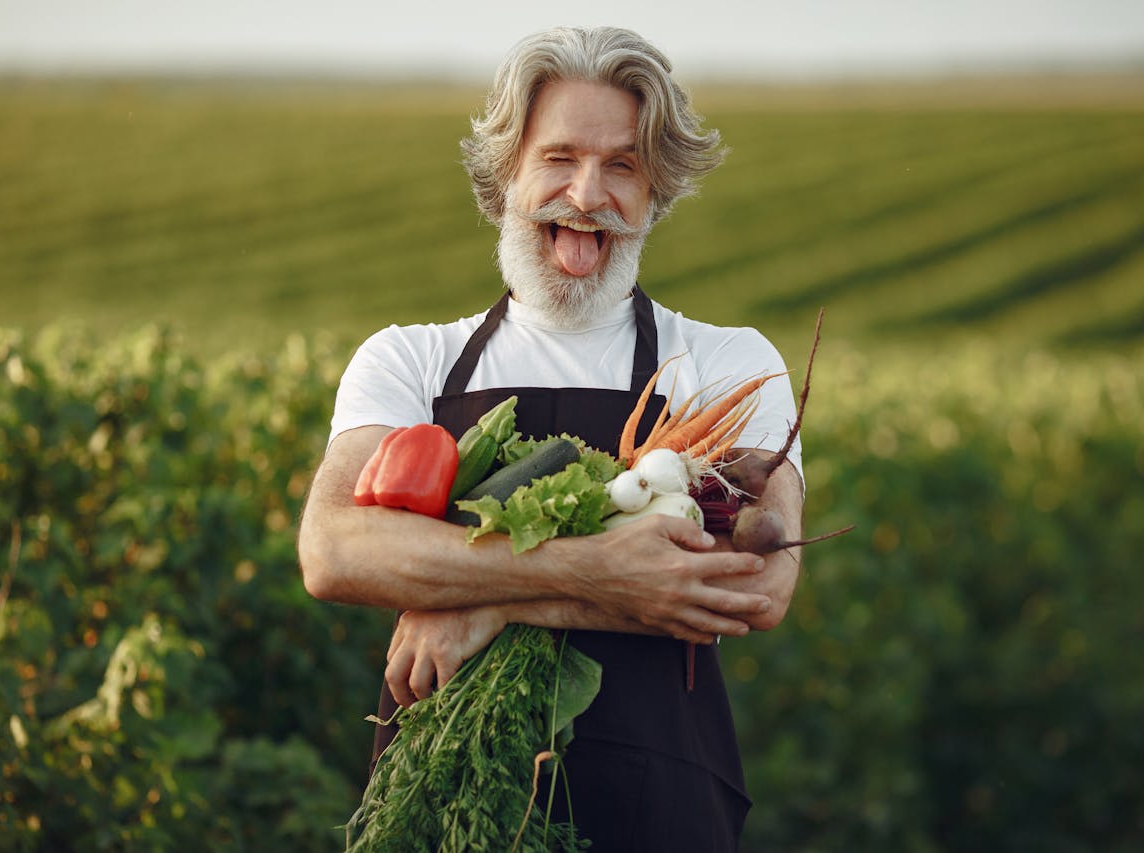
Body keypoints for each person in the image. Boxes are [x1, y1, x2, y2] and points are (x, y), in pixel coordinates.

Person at [298, 25, 805, 851]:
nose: (586, 192)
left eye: (622, 166)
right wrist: (583, 578)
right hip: (445, 800)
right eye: (559, 157)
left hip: (660, 805)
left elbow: (759, 585)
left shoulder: (727, 363)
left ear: (655, 193)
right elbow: (334, 550)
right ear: (507, 176)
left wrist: (483, 602)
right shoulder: (409, 361)